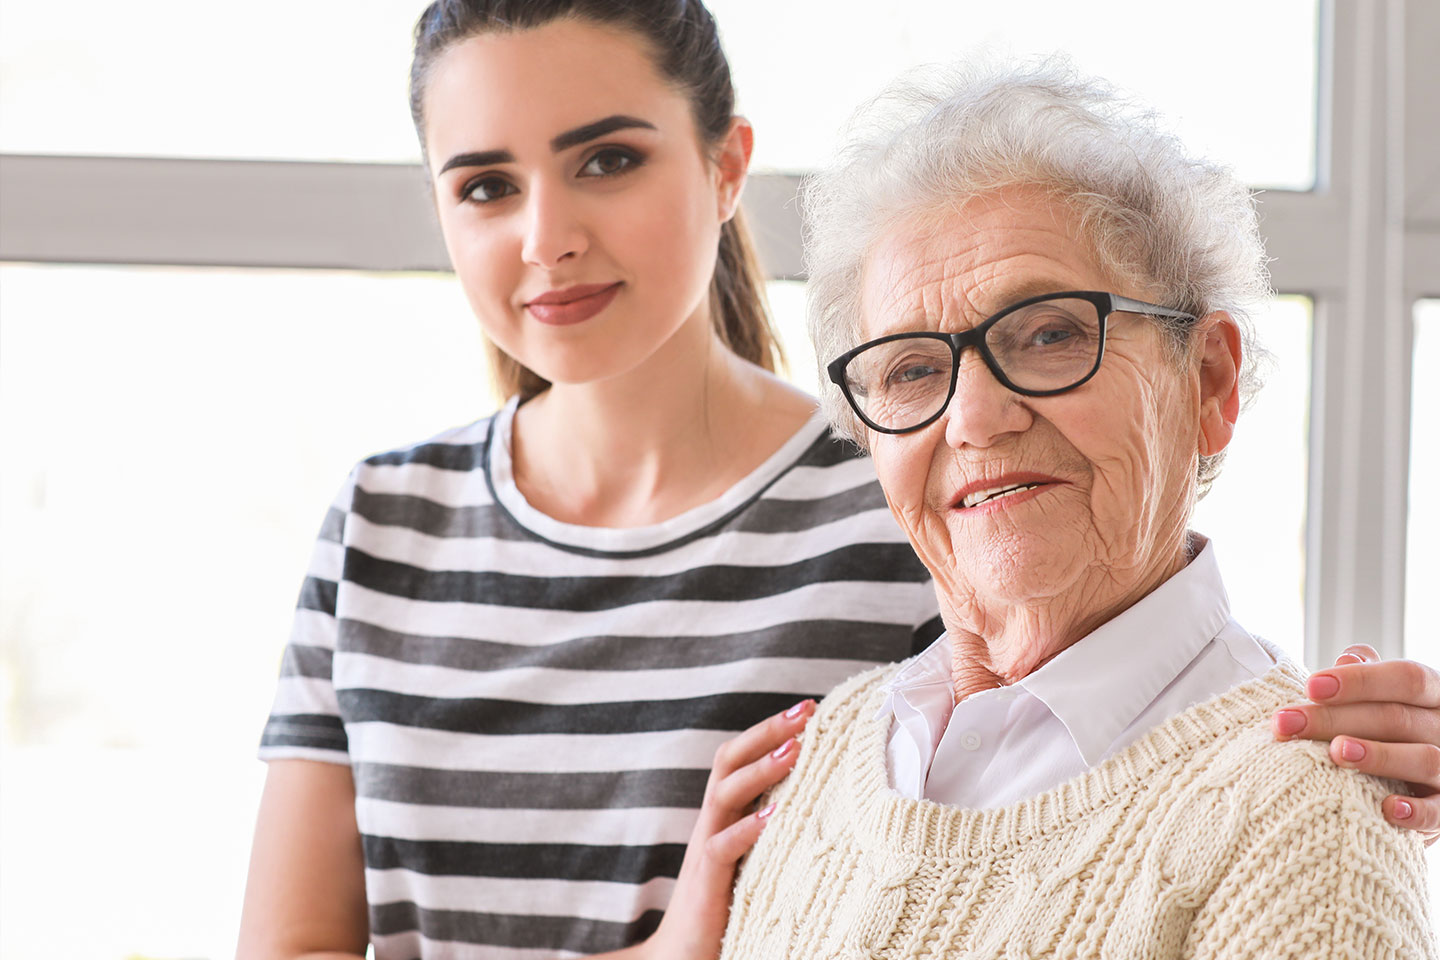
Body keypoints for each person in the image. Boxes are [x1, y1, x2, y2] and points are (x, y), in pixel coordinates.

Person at [237, 4, 1440, 959]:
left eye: (607, 157)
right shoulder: (387, 523)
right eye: (485, 184)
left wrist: (1364, 753)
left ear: (726, 167)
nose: (545, 235)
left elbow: (1152, 684)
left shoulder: (893, 506)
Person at [718, 60, 1435, 959]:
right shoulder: (827, 754)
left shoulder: (1305, 820)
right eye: (911, 368)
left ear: (1208, 381)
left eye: (1050, 334)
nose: (973, 419)